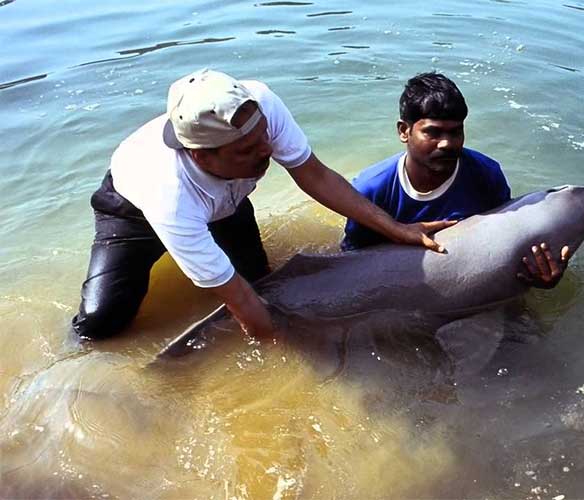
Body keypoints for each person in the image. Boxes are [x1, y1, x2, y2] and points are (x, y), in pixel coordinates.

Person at [72, 68, 453, 341]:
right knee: (101, 324)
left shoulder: (261, 104)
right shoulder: (168, 193)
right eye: (249, 150)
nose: (268, 151)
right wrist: (284, 362)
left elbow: (315, 176)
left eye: (264, 136)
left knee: (264, 284)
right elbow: (239, 302)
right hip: (131, 213)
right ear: (202, 157)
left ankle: (208, 249)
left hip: (228, 199)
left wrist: (398, 229)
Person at [341, 72, 570, 287]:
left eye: (455, 132)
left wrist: (540, 276)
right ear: (404, 131)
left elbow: (505, 245)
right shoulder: (371, 189)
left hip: (467, 285)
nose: (447, 143)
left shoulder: (486, 175)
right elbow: (350, 265)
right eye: (433, 132)